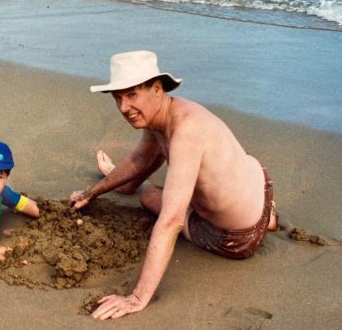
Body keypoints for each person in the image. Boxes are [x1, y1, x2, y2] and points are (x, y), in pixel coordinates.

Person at [69, 50, 277, 320]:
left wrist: (137, 297)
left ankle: (260, 223)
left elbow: (171, 221)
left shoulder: (186, 132)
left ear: (157, 89)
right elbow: (140, 159)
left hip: (236, 239)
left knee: (151, 196)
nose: (123, 108)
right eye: (118, 98)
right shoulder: (168, 113)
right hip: (262, 187)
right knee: (141, 179)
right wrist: (92, 192)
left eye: (132, 95)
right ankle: (268, 217)